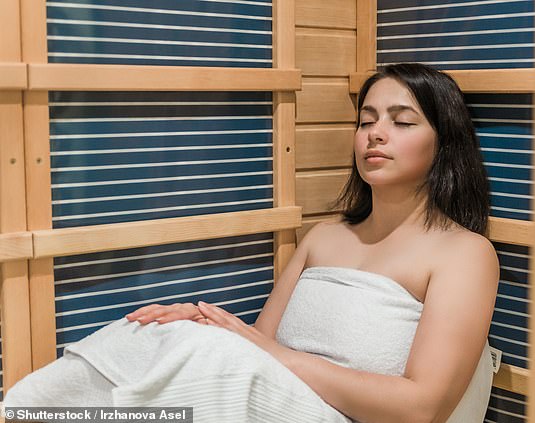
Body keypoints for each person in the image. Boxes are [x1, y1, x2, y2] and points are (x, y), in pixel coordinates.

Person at [4, 63, 498, 423]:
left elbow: (424, 408)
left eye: (401, 121)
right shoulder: (325, 237)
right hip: (281, 399)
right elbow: (259, 346)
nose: (375, 134)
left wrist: (268, 356)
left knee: (211, 356)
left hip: (348, 416)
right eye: (366, 120)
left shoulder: (463, 253)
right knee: (155, 330)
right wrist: (209, 324)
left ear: (444, 143)